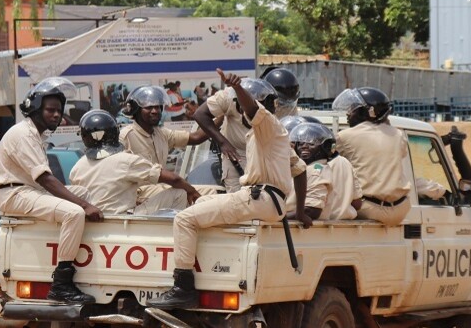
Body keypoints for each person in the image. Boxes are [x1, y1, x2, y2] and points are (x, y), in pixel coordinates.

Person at [148, 69, 311, 309]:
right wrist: (301, 212)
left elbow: (253, 108)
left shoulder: (267, 123)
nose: (242, 111)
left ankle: (183, 287)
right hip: (268, 200)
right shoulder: (267, 134)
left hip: (260, 197)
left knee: (184, 219)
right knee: (200, 203)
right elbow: (300, 169)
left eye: (245, 107)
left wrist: (237, 87)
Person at [0, 76, 103, 305]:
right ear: (36, 109)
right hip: (13, 194)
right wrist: (84, 206)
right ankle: (61, 284)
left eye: (59, 111)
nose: (57, 115)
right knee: (75, 212)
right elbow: (46, 179)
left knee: (83, 192)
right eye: (50, 110)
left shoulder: (35, 133)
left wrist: (84, 201)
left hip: (26, 190)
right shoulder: (23, 134)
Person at [70, 109, 200, 215]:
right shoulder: (126, 160)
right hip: (124, 220)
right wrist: (192, 191)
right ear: (115, 132)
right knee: (180, 193)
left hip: (96, 221)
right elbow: (174, 179)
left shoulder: (76, 168)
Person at [118, 86, 215, 201]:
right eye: (148, 107)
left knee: (211, 191)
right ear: (136, 110)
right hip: (138, 195)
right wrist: (189, 189)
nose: (154, 111)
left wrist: (223, 113)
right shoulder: (125, 136)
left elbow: (196, 137)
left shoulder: (161, 134)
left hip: (159, 191)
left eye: (157, 107)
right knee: (183, 192)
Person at [332, 87, 412, 226]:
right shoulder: (398, 135)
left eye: (353, 109)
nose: (348, 114)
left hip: (368, 209)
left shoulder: (345, 136)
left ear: (369, 112)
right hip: (401, 208)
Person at [285, 123, 362, 221]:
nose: (304, 146)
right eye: (300, 143)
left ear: (325, 147)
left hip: (309, 226)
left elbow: (312, 210)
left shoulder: (315, 170)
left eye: (311, 143)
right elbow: (357, 203)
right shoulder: (342, 162)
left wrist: (280, 218)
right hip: (340, 222)